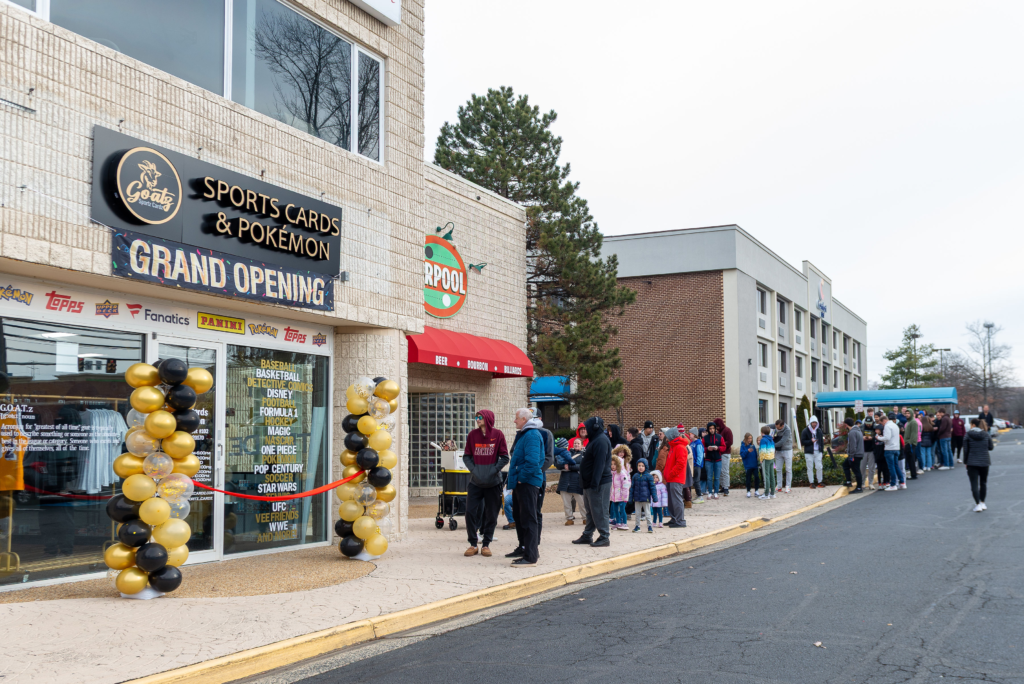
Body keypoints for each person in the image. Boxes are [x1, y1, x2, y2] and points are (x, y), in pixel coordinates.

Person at [462, 409, 510, 557]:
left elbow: (504, 457)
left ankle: (486, 544)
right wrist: (474, 470)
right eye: (476, 417)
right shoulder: (472, 435)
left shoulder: (498, 435)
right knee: (470, 512)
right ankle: (472, 543)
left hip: (493, 483)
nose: (477, 419)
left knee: (491, 514)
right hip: (475, 482)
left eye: (480, 417)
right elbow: (467, 456)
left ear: (487, 418)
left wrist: (493, 470)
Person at [505, 408, 545, 566]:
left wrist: (521, 479)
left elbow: (534, 461)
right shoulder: (525, 434)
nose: (514, 421)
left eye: (516, 418)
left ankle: (531, 556)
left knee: (529, 519)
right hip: (521, 483)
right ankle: (524, 548)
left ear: (523, 419)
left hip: (528, 484)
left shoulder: (532, 435)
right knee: (521, 518)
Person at [573, 416, 612, 547]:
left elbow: (599, 465)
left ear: (595, 427)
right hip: (590, 482)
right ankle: (587, 535)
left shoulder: (601, 441)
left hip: (599, 483)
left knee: (600, 510)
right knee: (590, 511)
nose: (586, 429)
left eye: (587, 427)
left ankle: (604, 536)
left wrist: (595, 483)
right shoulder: (594, 440)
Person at [963, 417, 994, 512]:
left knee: (974, 484)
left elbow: (966, 450)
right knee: (983, 483)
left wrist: (966, 462)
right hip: (984, 461)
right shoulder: (986, 434)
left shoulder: (968, 435)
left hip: (972, 462)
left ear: (973, 425)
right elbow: (991, 447)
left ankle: (977, 504)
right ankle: (983, 502)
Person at [661, 427, 689, 527]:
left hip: (676, 478)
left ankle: (680, 520)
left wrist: (671, 473)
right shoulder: (674, 446)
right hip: (671, 478)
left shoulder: (680, 447)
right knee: (671, 500)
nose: (666, 439)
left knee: (676, 500)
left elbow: (680, 464)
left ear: (672, 437)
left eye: (667, 437)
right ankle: (674, 519)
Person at [555, 437, 585, 526]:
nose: (576, 445)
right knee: (566, 502)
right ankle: (569, 518)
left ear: (582, 445)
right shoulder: (565, 453)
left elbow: (582, 466)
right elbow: (557, 464)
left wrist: (570, 467)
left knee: (582, 502)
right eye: (575, 443)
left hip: (577, 482)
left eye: (578, 443)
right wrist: (566, 467)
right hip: (565, 481)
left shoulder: (584, 455)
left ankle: (585, 518)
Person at [630, 458, 656, 533]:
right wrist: (631, 498)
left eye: (642, 466)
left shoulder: (649, 476)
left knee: (647, 513)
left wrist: (654, 497)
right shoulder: (635, 476)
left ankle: (649, 526)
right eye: (639, 465)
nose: (640, 467)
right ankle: (637, 526)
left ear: (646, 467)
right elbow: (632, 488)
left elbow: (652, 488)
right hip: (637, 498)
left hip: (646, 499)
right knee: (637, 513)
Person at [880, 411, 905, 491]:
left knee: (891, 467)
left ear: (884, 420)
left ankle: (893, 484)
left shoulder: (887, 426)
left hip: (889, 449)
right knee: (896, 466)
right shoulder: (895, 425)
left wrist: (879, 438)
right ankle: (902, 483)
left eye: (882, 423)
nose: (882, 425)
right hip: (897, 448)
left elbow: (887, 438)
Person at [702, 422, 726, 500]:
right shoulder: (705, 438)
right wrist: (707, 449)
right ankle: (709, 493)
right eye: (710, 429)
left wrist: (718, 448)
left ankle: (716, 492)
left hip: (718, 460)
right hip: (708, 460)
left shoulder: (720, 437)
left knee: (717, 477)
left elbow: (724, 447)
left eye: (713, 428)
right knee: (709, 477)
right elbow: (702, 448)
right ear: (708, 429)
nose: (712, 430)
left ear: (715, 429)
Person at [609, 449, 631, 530]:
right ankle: (618, 522)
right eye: (611, 464)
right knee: (615, 510)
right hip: (614, 497)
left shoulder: (622, 473)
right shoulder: (611, 474)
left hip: (622, 497)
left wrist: (625, 497)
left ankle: (624, 523)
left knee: (622, 510)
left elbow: (625, 485)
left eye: (615, 464)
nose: (613, 466)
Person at [801, 416, 825, 488]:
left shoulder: (819, 431)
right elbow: (802, 441)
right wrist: (810, 441)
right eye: (813, 422)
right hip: (809, 452)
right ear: (810, 423)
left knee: (819, 467)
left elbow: (821, 442)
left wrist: (821, 451)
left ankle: (820, 482)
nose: (814, 424)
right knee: (810, 467)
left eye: (815, 422)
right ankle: (811, 482)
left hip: (818, 452)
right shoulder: (805, 431)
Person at [841, 417, 864, 492]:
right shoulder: (858, 430)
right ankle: (848, 482)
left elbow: (853, 446)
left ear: (846, 424)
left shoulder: (852, 432)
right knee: (845, 465)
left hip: (855, 455)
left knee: (856, 470)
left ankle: (859, 487)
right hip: (859, 453)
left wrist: (851, 456)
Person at [772, 418, 794, 493]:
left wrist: (771, 445)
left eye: (778, 428)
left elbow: (782, 441)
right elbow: (766, 426)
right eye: (776, 427)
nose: (777, 429)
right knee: (778, 469)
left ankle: (788, 486)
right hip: (778, 451)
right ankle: (779, 486)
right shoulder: (775, 426)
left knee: (788, 469)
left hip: (787, 450)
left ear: (782, 425)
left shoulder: (787, 430)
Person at [713, 418, 734, 496]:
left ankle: (726, 487)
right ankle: (722, 486)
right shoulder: (719, 432)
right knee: (720, 471)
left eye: (718, 426)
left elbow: (730, 442)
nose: (717, 428)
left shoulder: (727, 430)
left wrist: (720, 444)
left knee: (725, 470)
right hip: (719, 453)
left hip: (725, 453)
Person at [758, 426, 777, 499]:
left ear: (762, 432)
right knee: (772, 476)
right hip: (772, 458)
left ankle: (766, 494)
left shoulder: (763, 440)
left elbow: (763, 451)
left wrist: (761, 459)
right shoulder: (771, 439)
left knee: (766, 476)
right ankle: (772, 493)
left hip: (766, 459)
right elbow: (773, 449)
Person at [739, 432, 760, 498]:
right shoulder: (743, 446)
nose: (750, 440)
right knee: (748, 478)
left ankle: (756, 490)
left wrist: (757, 460)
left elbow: (756, 454)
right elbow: (742, 455)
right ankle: (748, 491)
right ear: (746, 438)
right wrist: (747, 451)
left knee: (756, 477)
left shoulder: (753, 445)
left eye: (751, 438)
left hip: (755, 465)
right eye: (748, 438)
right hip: (748, 465)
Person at [902, 409, 920, 479]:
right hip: (907, 443)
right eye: (906, 413)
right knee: (909, 459)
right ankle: (912, 474)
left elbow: (913, 434)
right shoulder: (909, 422)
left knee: (912, 459)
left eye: (908, 413)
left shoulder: (913, 422)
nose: (907, 414)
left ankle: (914, 475)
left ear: (912, 414)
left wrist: (910, 443)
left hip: (911, 444)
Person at [862, 415, 877, 489]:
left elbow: (878, 436)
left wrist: (872, 438)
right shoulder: (862, 427)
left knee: (871, 468)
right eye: (867, 423)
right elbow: (858, 436)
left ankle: (870, 483)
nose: (868, 425)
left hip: (872, 450)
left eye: (870, 423)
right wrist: (862, 438)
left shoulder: (875, 427)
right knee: (862, 468)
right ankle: (862, 483)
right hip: (863, 450)